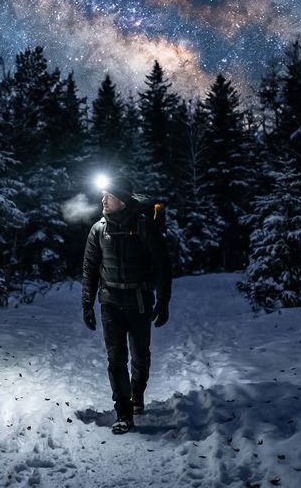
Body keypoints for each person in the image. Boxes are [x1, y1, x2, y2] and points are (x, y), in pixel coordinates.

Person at [81, 175, 171, 434]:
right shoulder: (98, 229)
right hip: (109, 301)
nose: (103, 200)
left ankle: (137, 394)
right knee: (115, 358)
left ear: (121, 199)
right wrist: (87, 304)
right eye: (103, 195)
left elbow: (162, 265)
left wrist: (163, 301)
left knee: (140, 356)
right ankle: (123, 411)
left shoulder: (143, 226)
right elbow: (89, 269)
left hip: (139, 300)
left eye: (108, 196)